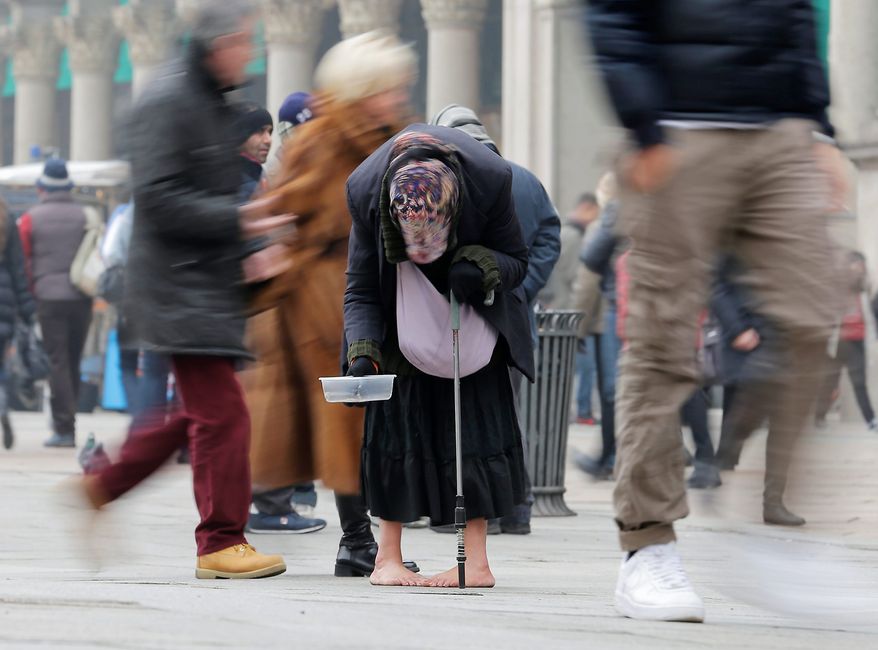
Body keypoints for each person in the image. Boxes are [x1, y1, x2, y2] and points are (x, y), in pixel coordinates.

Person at [589, 0, 841, 622]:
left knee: (810, 322)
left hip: (779, 130)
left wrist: (818, 124)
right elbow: (612, 15)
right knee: (662, 345)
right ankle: (647, 547)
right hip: (679, 127)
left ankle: (777, 529)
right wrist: (643, 123)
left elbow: (798, 13)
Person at [76, 0, 290, 580]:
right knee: (223, 416)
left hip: (203, 283)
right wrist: (241, 223)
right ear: (218, 44)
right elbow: (159, 197)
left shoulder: (205, 102)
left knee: (201, 414)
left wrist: (250, 244)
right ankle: (220, 542)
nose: (252, 53)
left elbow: (203, 195)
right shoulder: (169, 99)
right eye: (246, 42)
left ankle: (102, 485)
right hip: (176, 286)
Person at [243, 32, 420, 577]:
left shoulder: (392, 137)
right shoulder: (326, 139)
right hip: (329, 299)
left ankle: (363, 541)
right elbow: (288, 206)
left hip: (380, 289)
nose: (397, 96)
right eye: (389, 87)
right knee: (351, 416)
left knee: (369, 418)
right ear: (365, 88)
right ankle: (358, 540)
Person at [345, 126, 532, 587]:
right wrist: (362, 353)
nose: (423, 251)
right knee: (395, 432)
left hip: (469, 323)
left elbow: (517, 260)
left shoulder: (490, 180)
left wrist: (482, 266)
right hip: (401, 315)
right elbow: (361, 288)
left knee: (475, 433)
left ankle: (477, 563)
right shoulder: (366, 190)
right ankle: (386, 558)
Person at [431, 103, 561, 535]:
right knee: (510, 414)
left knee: (465, 415)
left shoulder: (457, 179)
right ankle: (517, 511)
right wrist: (523, 287)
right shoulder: (524, 178)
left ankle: (466, 510)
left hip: (465, 315)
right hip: (515, 319)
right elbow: (549, 237)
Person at [710, 255, 804, 525]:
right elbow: (715, 284)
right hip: (754, 338)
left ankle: (773, 503)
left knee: (786, 425)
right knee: (746, 416)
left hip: (791, 339)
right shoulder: (739, 226)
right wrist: (736, 328)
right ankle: (716, 465)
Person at [18, 159, 92, 449]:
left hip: (48, 297)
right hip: (81, 296)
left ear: (41, 188)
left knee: (57, 360)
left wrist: (31, 291)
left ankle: (64, 427)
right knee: (73, 360)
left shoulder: (30, 218)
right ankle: (67, 418)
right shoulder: (86, 215)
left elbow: (24, 261)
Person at [576, 174, 622, 480]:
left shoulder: (610, 219)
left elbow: (589, 280)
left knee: (610, 391)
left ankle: (610, 456)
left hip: (613, 310)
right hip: (650, 310)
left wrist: (579, 326)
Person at [542, 193, 601, 425]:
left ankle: (561, 412)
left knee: (559, 367)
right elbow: (575, 277)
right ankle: (583, 411)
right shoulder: (575, 237)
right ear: (586, 208)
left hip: (555, 308)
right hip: (569, 311)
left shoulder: (561, 232)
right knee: (585, 366)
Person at [816, 250, 877, 430]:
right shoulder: (837, 289)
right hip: (839, 343)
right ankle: (819, 416)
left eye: (862, 267)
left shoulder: (865, 291)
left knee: (859, 383)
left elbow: (873, 313)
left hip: (857, 343)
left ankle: (871, 420)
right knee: (830, 382)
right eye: (857, 265)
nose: (860, 270)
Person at [0, 199, 36, 450]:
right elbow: (18, 269)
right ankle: (1, 406)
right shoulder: (6, 217)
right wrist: (27, 312)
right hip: (4, 304)